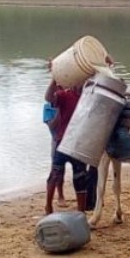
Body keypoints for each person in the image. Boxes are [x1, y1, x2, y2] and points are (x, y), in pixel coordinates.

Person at [44, 78, 89, 214]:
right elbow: (48, 98)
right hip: (62, 141)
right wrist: (54, 79)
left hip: (79, 144)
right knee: (55, 174)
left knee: (80, 177)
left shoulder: (88, 98)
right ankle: (48, 206)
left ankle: (81, 211)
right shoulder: (66, 95)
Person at [43, 99, 66, 207]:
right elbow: (52, 126)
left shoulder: (70, 100)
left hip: (71, 140)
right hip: (57, 141)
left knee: (80, 170)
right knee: (56, 172)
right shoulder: (48, 107)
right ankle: (58, 197)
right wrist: (60, 110)